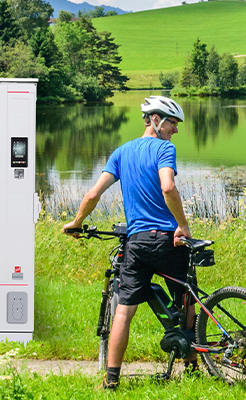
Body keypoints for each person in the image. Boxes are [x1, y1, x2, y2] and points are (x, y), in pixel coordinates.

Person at [62, 96, 196, 390]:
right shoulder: (164, 148)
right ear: (157, 120)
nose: (176, 130)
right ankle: (192, 366)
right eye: (173, 123)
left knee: (124, 309)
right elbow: (168, 186)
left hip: (136, 244)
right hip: (167, 241)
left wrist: (77, 222)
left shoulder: (121, 153)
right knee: (187, 297)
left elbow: (93, 194)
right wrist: (183, 226)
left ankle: (111, 380)